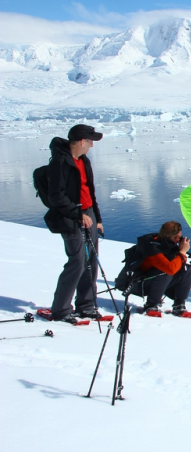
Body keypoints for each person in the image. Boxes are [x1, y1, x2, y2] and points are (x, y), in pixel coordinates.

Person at [45, 124, 104, 323]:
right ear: (81, 141)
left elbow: (90, 192)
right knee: (77, 262)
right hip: (70, 218)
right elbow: (56, 197)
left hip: (88, 215)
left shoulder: (84, 160)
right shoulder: (60, 162)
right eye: (90, 142)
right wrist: (78, 214)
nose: (91, 146)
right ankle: (61, 310)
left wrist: (97, 219)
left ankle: (86, 306)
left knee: (91, 263)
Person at [130, 221, 191, 317]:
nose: (180, 240)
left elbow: (177, 266)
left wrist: (180, 253)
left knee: (187, 270)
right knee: (165, 271)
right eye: (178, 238)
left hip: (159, 281)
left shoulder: (167, 245)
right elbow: (170, 269)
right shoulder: (152, 248)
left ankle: (179, 304)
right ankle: (151, 305)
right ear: (171, 238)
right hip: (140, 284)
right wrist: (182, 252)